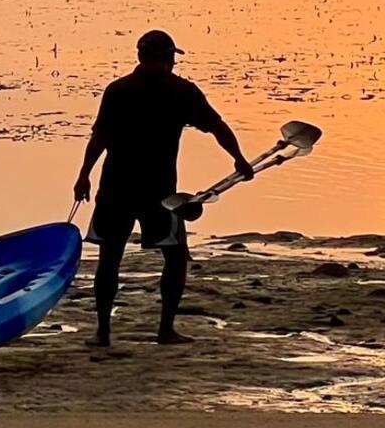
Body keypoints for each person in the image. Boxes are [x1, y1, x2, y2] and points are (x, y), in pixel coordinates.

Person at [73, 29, 256, 347]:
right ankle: (165, 330)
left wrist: (83, 175)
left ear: (140, 56)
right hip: (160, 191)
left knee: (110, 256)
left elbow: (99, 137)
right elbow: (217, 127)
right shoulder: (181, 91)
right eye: (171, 56)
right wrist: (239, 159)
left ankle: (102, 331)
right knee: (175, 256)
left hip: (116, 185)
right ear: (169, 58)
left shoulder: (118, 90)